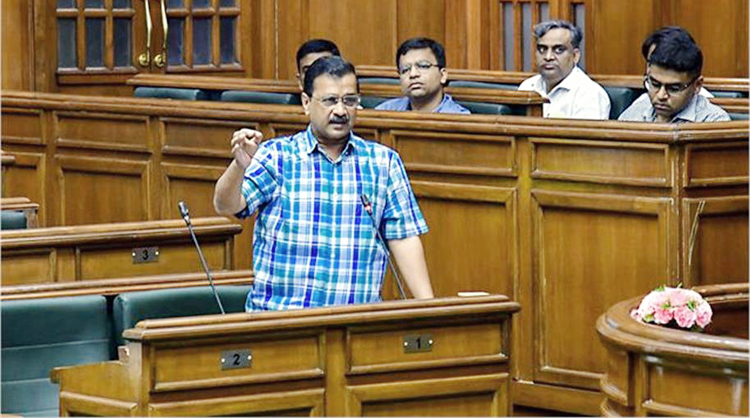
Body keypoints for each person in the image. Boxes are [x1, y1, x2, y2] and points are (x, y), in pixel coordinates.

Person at [214, 56, 434, 311]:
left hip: (356, 320)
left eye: (349, 101)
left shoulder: (383, 162)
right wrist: (239, 166)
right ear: (306, 103)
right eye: (330, 100)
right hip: (281, 320)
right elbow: (226, 205)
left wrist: (429, 309)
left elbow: (404, 237)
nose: (340, 111)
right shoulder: (277, 156)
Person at [618, 35, 730, 123]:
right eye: (655, 84)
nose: (661, 96)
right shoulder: (635, 112)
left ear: (697, 85)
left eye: (674, 88)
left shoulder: (714, 121)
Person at [518, 20, 610, 119]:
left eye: (558, 50)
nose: (548, 57)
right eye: (542, 49)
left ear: (575, 56)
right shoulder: (528, 86)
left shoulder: (589, 94)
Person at [375, 37, 469, 114]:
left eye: (423, 66)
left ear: (443, 75)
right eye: (405, 70)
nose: (413, 74)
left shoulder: (460, 118)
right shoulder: (384, 111)